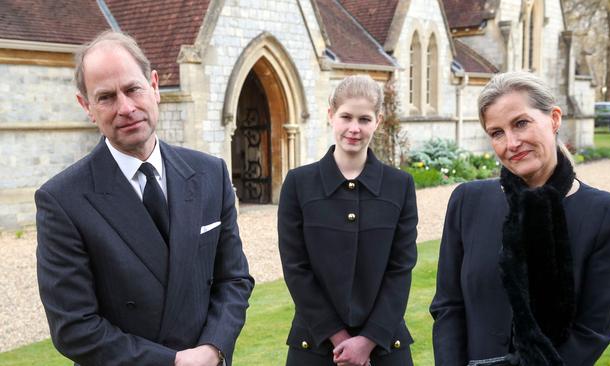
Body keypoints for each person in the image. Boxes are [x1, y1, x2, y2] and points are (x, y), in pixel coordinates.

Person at [35, 31, 254, 366]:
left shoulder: (211, 174)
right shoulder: (62, 201)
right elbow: (74, 327)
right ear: (87, 107)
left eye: (132, 88)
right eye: (106, 97)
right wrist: (175, 362)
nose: (126, 107)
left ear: (154, 86)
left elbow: (234, 279)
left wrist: (214, 348)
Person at [430, 71, 610, 365]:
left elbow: (594, 330)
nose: (511, 143)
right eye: (497, 133)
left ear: (554, 119)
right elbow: (448, 306)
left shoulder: (605, 214)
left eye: (521, 123)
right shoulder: (468, 201)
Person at [278, 75, 418, 366]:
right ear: (331, 115)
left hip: (384, 348)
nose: (354, 128)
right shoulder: (298, 184)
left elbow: (400, 269)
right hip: (315, 347)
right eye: (346, 117)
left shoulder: (399, 185)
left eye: (364, 119)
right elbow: (296, 269)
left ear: (378, 121)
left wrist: (367, 341)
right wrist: (340, 339)